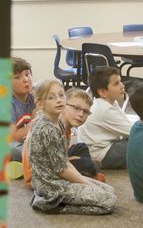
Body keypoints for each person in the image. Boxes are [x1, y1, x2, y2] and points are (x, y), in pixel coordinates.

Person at [28, 79, 116, 215]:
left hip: (59, 178)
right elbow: (62, 170)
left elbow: (64, 161)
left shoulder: (58, 122)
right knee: (108, 201)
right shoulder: (47, 129)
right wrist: (88, 184)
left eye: (61, 95)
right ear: (40, 104)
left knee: (110, 191)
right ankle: (51, 205)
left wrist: (87, 183)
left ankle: (56, 199)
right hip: (52, 187)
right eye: (51, 97)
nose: (58, 100)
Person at [79, 66, 138, 170]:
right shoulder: (104, 109)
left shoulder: (109, 102)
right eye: (116, 84)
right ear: (102, 92)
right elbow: (133, 131)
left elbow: (126, 124)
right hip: (100, 154)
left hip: (105, 146)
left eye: (120, 81)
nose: (122, 86)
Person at [9, 57, 36, 162]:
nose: (26, 79)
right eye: (17, 77)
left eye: (27, 74)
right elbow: (13, 137)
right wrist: (37, 123)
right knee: (13, 148)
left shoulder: (33, 97)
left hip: (23, 141)